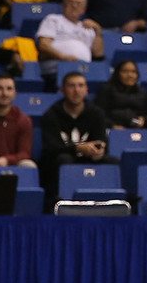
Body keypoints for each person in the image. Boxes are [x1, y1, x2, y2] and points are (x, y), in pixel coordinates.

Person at [39, 70, 112, 200]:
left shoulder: (96, 113)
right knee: (64, 160)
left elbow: (101, 140)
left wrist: (99, 150)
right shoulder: (51, 115)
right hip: (59, 161)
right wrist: (78, 148)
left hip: (89, 159)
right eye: (71, 86)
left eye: (81, 85)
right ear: (63, 90)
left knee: (111, 161)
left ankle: (109, 201)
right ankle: (61, 202)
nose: (76, 90)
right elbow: (51, 149)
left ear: (86, 90)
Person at [35, 0, 103, 70]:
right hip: (58, 63)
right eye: (71, 2)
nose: (74, 6)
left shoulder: (88, 27)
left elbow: (98, 55)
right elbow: (44, 45)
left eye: (79, 3)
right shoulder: (53, 19)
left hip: (84, 67)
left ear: (84, 9)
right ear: (63, 5)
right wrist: (63, 57)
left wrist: (98, 31)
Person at [94, 58, 147, 129]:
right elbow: (98, 114)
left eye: (133, 72)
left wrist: (144, 120)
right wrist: (112, 126)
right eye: (125, 71)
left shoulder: (144, 93)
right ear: (117, 73)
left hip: (138, 130)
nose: (130, 75)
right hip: (112, 129)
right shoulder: (106, 89)